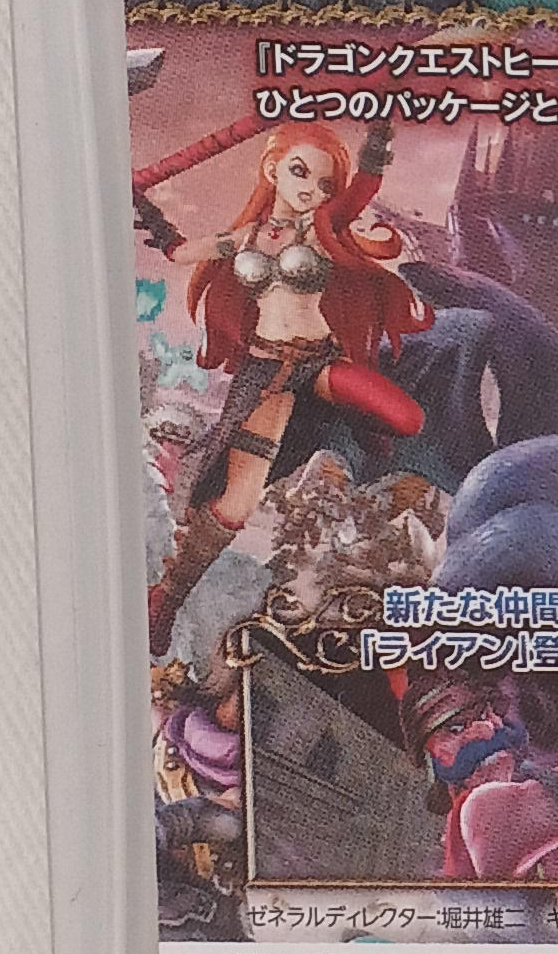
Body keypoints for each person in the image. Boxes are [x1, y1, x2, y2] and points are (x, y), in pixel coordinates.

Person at [150, 126, 430, 644]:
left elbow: (364, 187)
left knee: (406, 417)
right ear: (271, 168)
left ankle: (339, 431)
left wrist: (380, 132)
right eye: (300, 172)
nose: (311, 190)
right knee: (236, 504)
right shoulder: (246, 238)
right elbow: (182, 252)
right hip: (265, 376)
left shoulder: (323, 228)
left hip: (319, 364)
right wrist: (146, 212)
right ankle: (166, 598)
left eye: (324, 184)